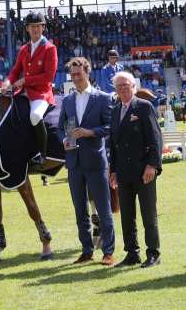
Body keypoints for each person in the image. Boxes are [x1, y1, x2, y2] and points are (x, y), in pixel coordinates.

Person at [58, 57, 116, 266]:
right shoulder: (67, 100)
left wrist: (90, 132)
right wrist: (64, 139)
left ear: (87, 73)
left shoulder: (103, 98)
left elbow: (110, 127)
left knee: (103, 208)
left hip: (95, 162)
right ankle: (86, 251)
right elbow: (59, 128)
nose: (75, 78)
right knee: (79, 210)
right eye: (72, 75)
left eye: (78, 74)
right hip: (74, 163)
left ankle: (108, 252)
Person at [109, 71, 163, 268]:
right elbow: (113, 144)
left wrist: (152, 165)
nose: (123, 89)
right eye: (119, 86)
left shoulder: (143, 106)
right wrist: (113, 171)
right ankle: (132, 253)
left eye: (126, 85)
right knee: (127, 216)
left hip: (143, 170)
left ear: (133, 86)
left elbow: (155, 138)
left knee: (148, 214)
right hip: (123, 172)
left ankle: (153, 253)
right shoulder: (115, 111)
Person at [2, 12, 58, 166]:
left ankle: (43, 154)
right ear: (27, 29)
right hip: (23, 92)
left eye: (38, 26)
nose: (35, 29)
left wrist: (25, 80)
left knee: (34, 116)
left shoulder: (50, 48)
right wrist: (7, 82)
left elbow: (48, 77)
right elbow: (15, 70)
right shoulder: (24, 49)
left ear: (43, 28)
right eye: (32, 26)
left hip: (41, 93)